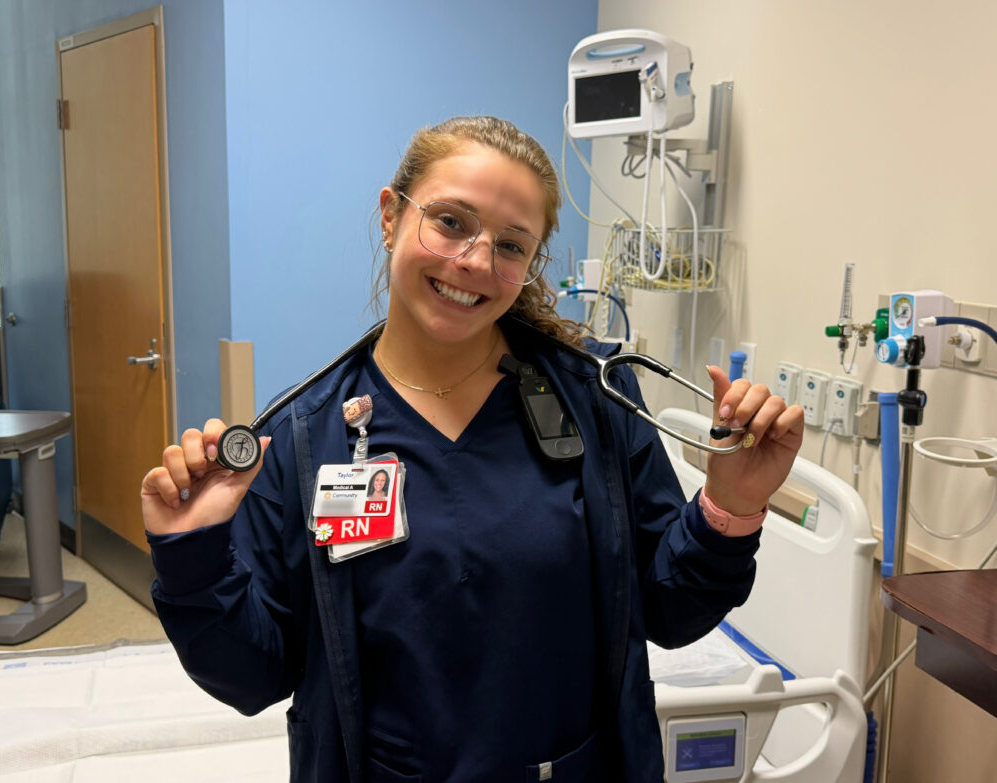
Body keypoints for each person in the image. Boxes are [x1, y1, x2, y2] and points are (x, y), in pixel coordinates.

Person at [141, 116, 803, 783]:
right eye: (451, 222)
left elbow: (670, 610)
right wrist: (190, 557)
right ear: (390, 216)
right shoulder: (303, 435)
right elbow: (254, 674)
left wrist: (730, 506)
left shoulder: (594, 399)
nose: (477, 263)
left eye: (512, 245)